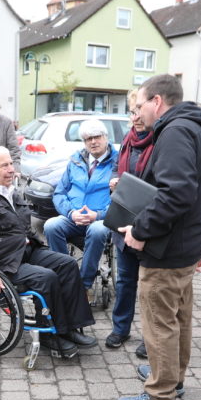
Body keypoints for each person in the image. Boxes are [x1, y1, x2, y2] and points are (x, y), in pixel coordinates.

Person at [114, 74, 201, 400]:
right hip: (187, 242)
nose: (137, 112)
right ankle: (172, 377)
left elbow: (177, 193)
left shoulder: (174, 132)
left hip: (168, 248)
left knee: (159, 322)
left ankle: (160, 396)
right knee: (179, 317)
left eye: (139, 104)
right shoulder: (194, 128)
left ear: (157, 101)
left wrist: (141, 230)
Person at [0, 146, 96, 358]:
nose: (12, 169)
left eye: (11, 163)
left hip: (24, 251)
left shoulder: (11, 192)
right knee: (46, 277)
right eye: (5, 165)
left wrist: (38, 245)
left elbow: (24, 226)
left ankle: (71, 327)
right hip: (0, 263)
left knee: (66, 263)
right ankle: (50, 335)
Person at [43, 118, 115, 299]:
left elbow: (122, 200)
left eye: (97, 136)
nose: (93, 142)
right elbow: (59, 193)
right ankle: (65, 278)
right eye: (88, 138)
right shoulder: (75, 161)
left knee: (98, 231)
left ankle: (84, 285)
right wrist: (71, 213)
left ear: (106, 137)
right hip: (74, 217)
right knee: (51, 225)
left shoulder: (118, 162)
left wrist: (97, 215)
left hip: (100, 219)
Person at [105, 89, 153, 359]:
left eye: (138, 111)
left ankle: (150, 338)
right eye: (131, 112)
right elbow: (117, 168)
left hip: (148, 225)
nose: (134, 117)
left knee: (149, 287)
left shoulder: (160, 141)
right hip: (123, 223)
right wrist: (115, 180)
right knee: (124, 281)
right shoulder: (127, 140)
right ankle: (120, 328)